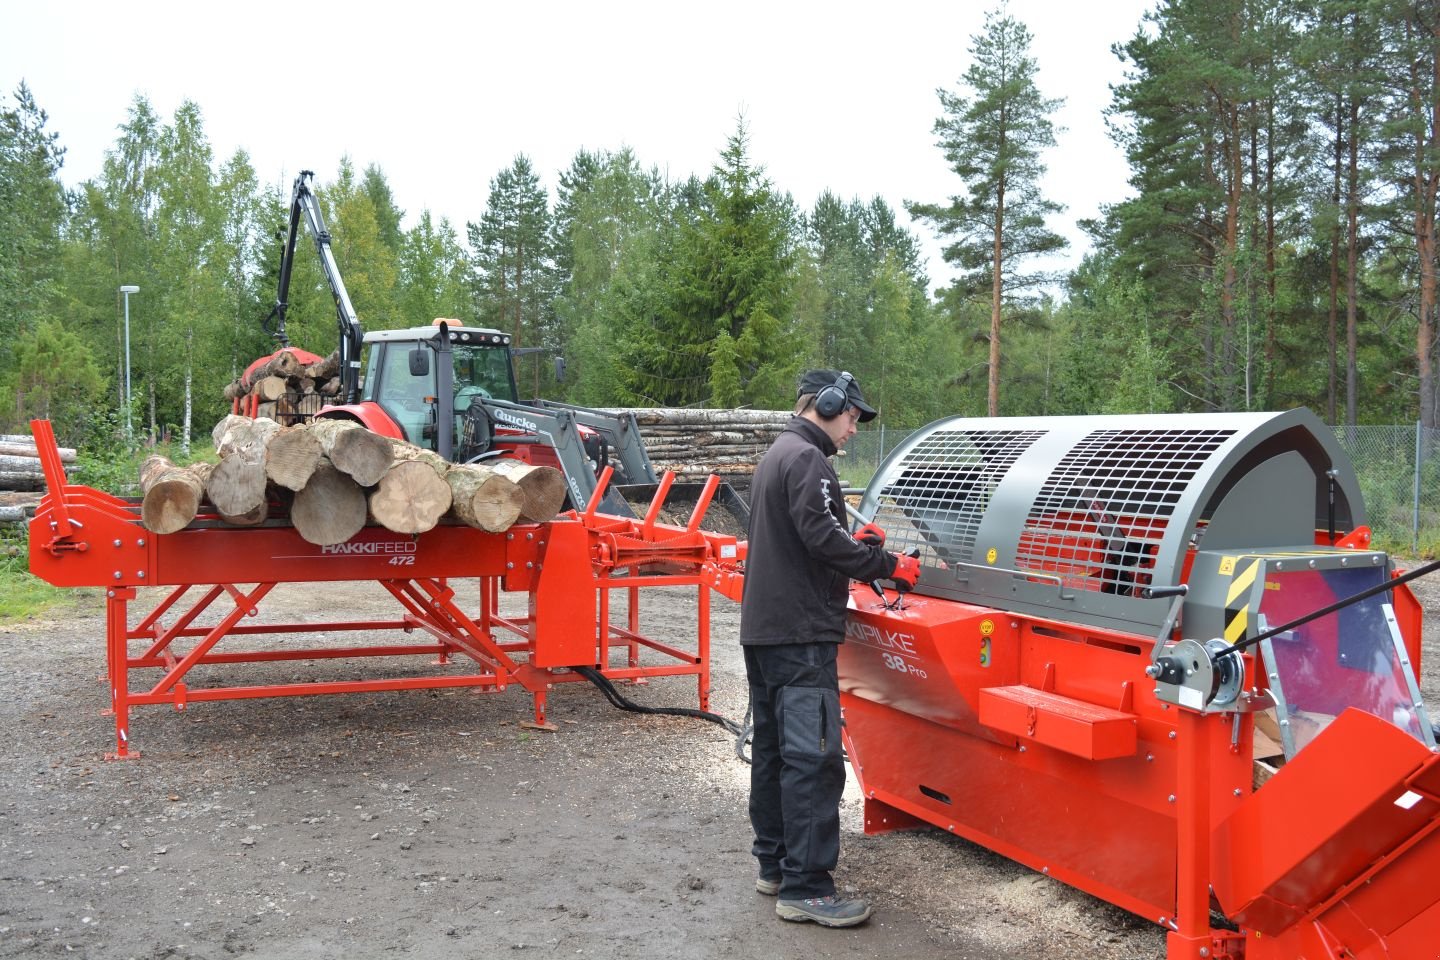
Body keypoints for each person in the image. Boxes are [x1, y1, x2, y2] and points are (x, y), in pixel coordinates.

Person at [739, 369, 920, 928]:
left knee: (774, 752)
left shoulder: (780, 453)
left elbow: (810, 536)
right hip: (800, 637)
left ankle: (775, 865)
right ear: (828, 404)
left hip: (767, 631)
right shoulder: (809, 460)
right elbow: (821, 538)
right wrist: (888, 566)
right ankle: (808, 888)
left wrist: (851, 545)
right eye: (851, 417)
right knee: (813, 760)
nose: (854, 429)